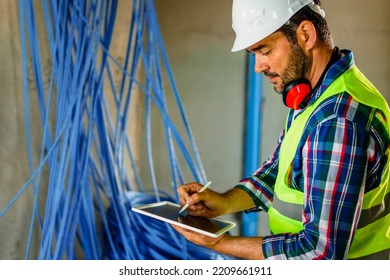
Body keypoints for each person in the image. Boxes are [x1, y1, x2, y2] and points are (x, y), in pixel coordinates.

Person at [172, 0, 390, 260]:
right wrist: (224, 202)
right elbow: (279, 172)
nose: (258, 66)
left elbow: (319, 254)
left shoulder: (337, 120)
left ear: (306, 35)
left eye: (265, 50)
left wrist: (220, 243)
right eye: (254, 54)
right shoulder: (316, 94)